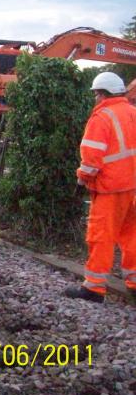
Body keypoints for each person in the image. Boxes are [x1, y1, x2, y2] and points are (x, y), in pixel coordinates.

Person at [66, 71, 136, 303]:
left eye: (96, 94)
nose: (95, 99)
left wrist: (81, 179)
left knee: (101, 236)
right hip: (132, 186)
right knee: (132, 236)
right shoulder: (133, 113)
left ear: (103, 94)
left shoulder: (102, 118)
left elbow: (92, 159)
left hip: (110, 188)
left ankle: (94, 288)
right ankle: (134, 282)